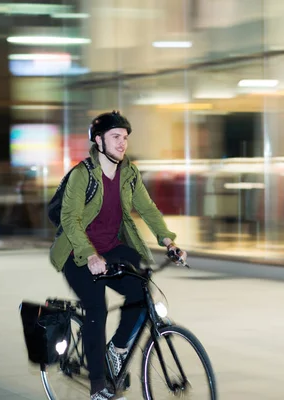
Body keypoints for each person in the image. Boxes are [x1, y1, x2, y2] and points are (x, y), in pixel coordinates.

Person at [49, 110, 187, 400]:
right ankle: (98, 383)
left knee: (141, 291)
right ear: (98, 141)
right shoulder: (81, 175)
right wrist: (90, 255)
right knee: (96, 309)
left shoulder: (129, 173)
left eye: (124, 137)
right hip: (78, 254)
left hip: (111, 248)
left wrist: (167, 240)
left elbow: (147, 209)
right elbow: (71, 220)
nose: (122, 143)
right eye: (115, 137)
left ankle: (117, 348)